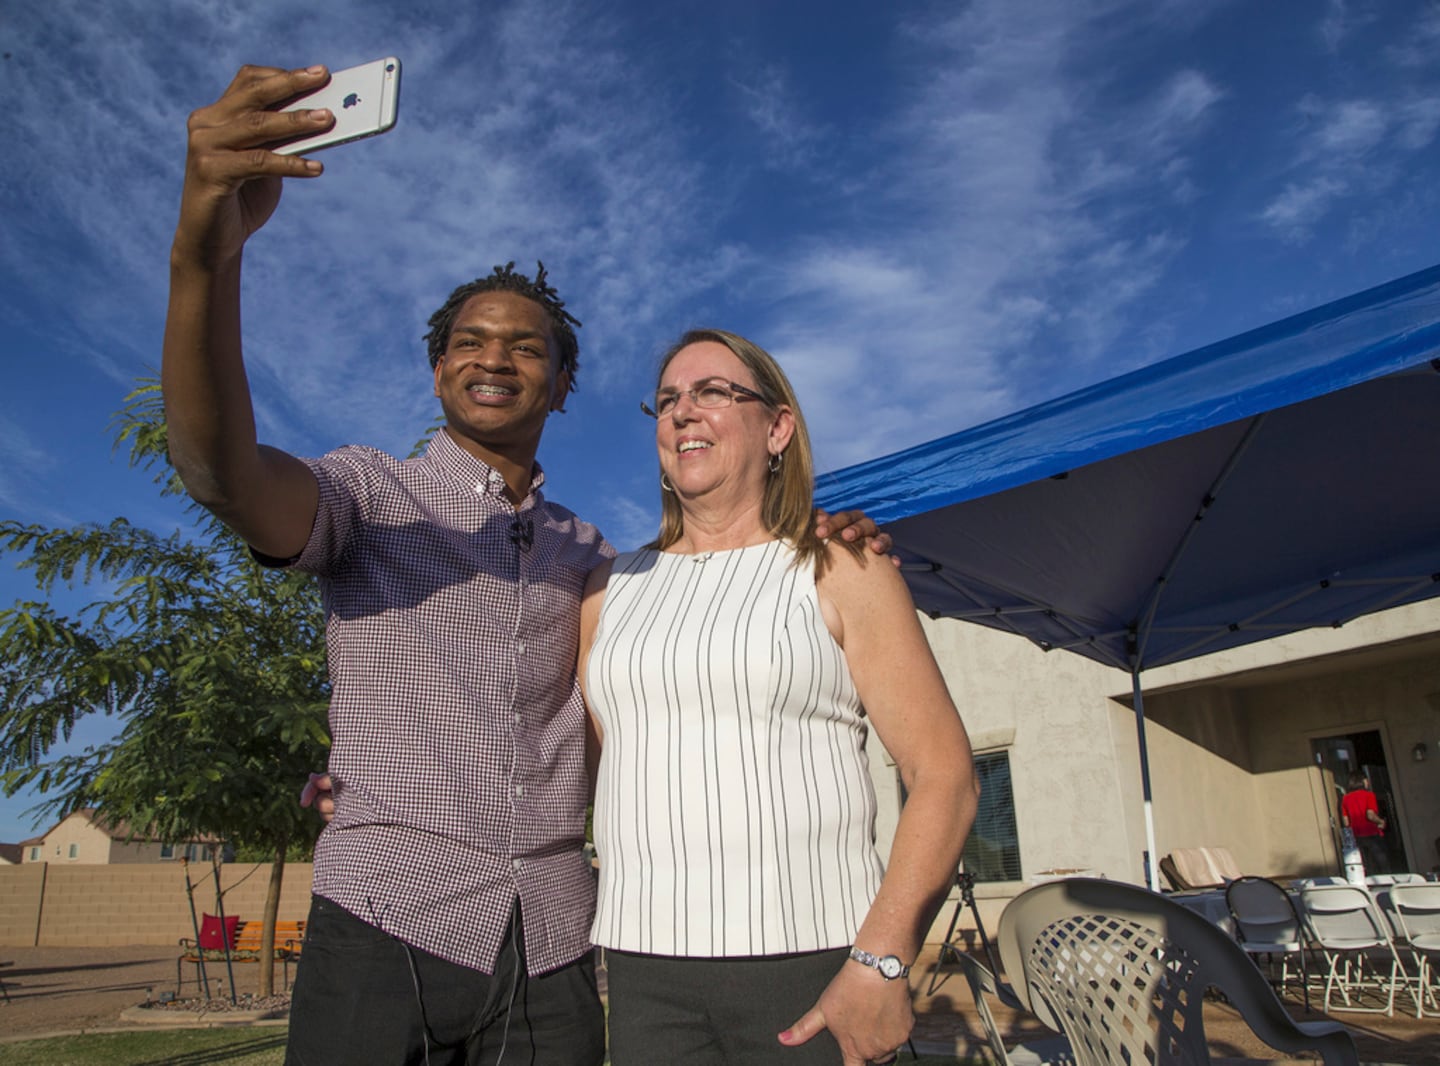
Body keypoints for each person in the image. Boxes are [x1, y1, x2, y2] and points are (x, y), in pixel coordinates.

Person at [162, 64, 889, 1065]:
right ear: (437, 368)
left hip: (551, 949)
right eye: (469, 340)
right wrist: (208, 251)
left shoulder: (598, 562)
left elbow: (693, 620)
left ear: (562, 380)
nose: (495, 355)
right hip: (386, 922)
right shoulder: (369, 496)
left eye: (525, 345)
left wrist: (819, 526)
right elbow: (222, 470)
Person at [578, 329, 980, 1065]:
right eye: (667, 400)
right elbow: (584, 771)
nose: (682, 412)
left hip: (812, 967)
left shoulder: (842, 565)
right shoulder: (608, 592)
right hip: (642, 975)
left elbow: (945, 776)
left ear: (779, 428)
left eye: (712, 393)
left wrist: (884, 960)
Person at [1340, 771, 1388, 876]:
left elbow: (1346, 821)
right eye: (1366, 779)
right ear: (1361, 781)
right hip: (1371, 833)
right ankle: (1385, 881)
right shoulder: (1369, 795)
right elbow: (1370, 815)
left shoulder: (1345, 799)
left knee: (1364, 863)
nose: (1368, 782)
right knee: (1381, 861)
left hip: (1356, 835)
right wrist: (1381, 821)